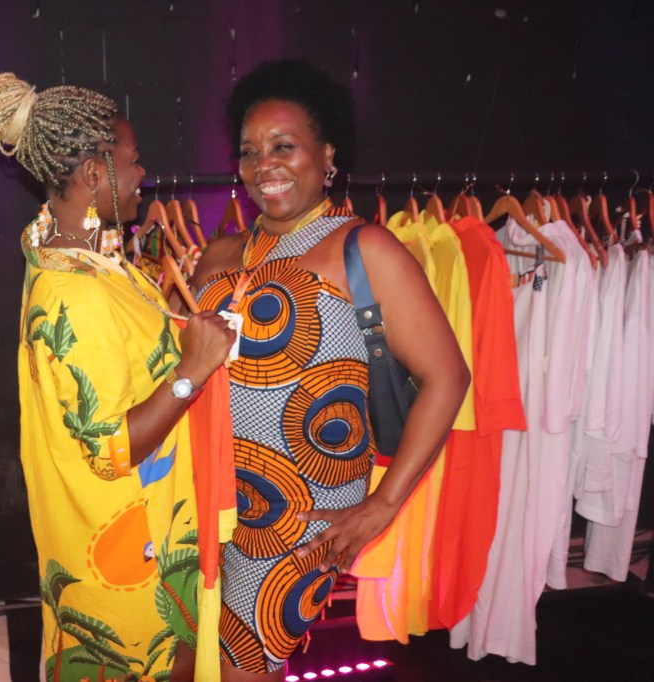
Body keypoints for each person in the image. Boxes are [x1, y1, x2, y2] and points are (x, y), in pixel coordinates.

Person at [191, 60, 470, 679]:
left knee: (243, 664)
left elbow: (448, 376)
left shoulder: (364, 248)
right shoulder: (219, 253)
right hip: (200, 494)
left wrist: (384, 504)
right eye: (249, 151)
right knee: (190, 656)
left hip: (295, 512)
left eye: (283, 146)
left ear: (327, 156)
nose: (264, 164)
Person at [0, 72, 235, 681]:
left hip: (140, 530)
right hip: (131, 554)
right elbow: (111, 448)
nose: (142, 173)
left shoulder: (80, 255)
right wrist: (192, 370)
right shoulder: (77, 293)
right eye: (133, 160)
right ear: (94, 174)